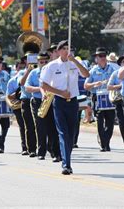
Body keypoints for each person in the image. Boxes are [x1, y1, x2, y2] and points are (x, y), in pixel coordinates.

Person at [40, 40, 90, 175]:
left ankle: (67, 156)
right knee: (63, 133)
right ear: (58, 51)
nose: (67, 51)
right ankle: (66, 164)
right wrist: (60, 92)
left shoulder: (74, 64)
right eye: (64, 49)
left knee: (71, 134)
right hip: (59, 101)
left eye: (69, 49)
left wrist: (75, 61)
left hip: (73, 102)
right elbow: (43, 84)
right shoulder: (52, 66)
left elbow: (86, 75)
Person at [26, 52, 61, 161]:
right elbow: (27, 87)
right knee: (40, 127)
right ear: (38, 62)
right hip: (38, 101)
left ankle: (55, 152)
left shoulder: (53, 72)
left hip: (52, 100)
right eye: (41, 62)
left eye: (46, 61)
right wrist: (39, 90)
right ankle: (41, 152)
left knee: (53, 127)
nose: (44, 63)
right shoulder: (33, 73)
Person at [84, 47, 116, 152]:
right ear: (96, 58)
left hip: (110, 96)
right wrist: (94, 84)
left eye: (103, 56)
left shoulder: (112, 69)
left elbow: (119, 79)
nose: (102, 58)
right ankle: (104, 144)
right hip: (97, 97)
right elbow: (86, 86)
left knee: (110, 122)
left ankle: (106, 140)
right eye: (100, 56)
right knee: (100, 121)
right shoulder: (93, 71)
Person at [107, 54, 124, 154]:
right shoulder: (116, 73)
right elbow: (109, 87)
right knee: (122, 122)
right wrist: (120, 86)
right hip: (119, 100)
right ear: (120, 64)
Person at [6, 61, 28, 155]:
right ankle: (24, 147)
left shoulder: (29, 77)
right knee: (23, 126)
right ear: (16, 68)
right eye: (20, 67)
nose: (22, 69)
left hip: (28, 104)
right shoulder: (12, 81)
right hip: (18, 106)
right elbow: (8, 96)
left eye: (23, 67)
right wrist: (16, 94)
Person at [17, 53, 37, 157]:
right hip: (26, 99)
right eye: (28, 59)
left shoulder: (40, 71)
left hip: (38, 99)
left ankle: (44, 148)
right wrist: (28, 70)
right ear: (25, 61)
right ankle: (31, 149)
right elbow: (21, 83)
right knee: (29, 126)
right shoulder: (21, 72)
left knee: (41, 125)